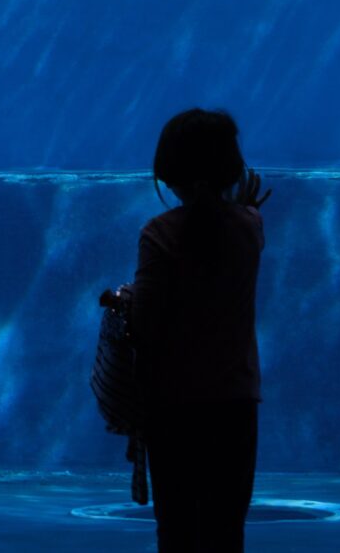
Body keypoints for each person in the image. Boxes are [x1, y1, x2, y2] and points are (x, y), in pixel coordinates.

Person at [106, 108, 270, 553]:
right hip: (236, 402)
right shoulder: (251, 228)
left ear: (169, 174)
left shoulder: (158, 235)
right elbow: (228, 223)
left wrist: (125, 301)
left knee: (177, 530)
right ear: (231, 169)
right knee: (225, 530)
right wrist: (245, 206)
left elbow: (147, 326)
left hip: (174, 407)